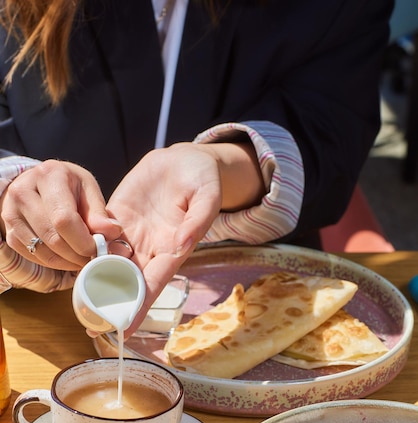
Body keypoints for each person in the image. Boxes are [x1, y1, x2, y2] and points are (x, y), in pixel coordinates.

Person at [0, 0, 394, 333]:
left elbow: (332, 128)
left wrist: (223, 167)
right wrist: (13, 193)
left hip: (261, 318)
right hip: (46, 330)